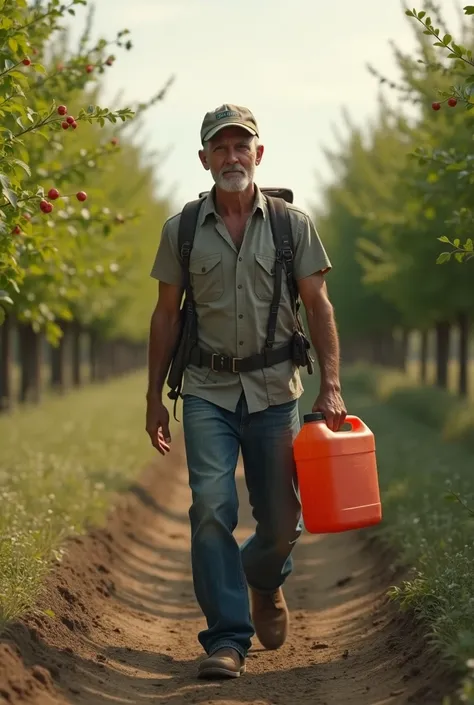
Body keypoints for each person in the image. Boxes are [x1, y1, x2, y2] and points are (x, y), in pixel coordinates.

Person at [146, 103, 347, 680]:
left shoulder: (291, 224)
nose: (232, 156)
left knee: (283, 524)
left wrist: (330, 386)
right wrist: (153, 397)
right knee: (211, 506)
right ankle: (227, 639)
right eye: (221, 147)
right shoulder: (181, 230)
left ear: (258, 154)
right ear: (204, 158)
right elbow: (165, 317)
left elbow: (318, 305)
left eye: (242, 146)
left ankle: (261, 578)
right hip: (207, 391)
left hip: (275, 391)